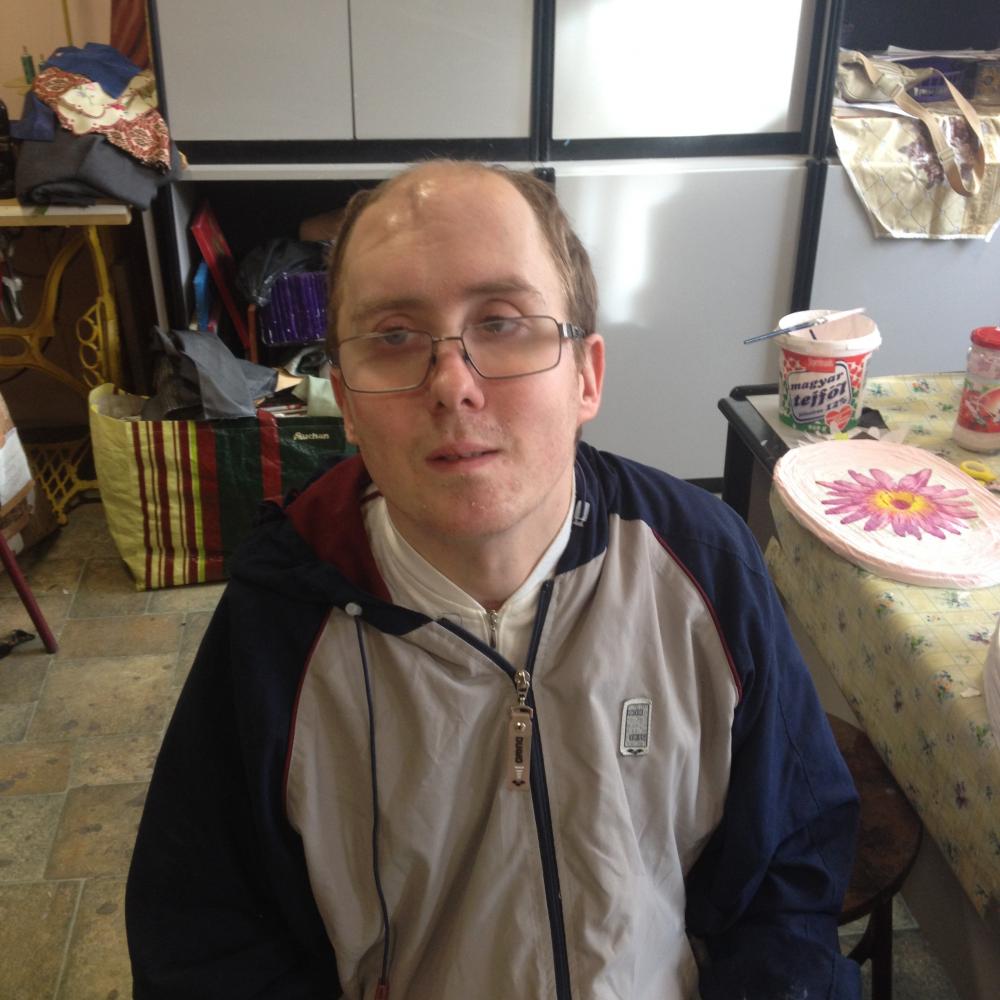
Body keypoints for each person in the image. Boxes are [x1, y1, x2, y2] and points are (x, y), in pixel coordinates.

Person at [126, 160, 861, 999]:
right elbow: (206, 945)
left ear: (586, 376)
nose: (453, 385)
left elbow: (789, 870)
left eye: (504, 322)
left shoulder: (707, 568)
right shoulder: (277, 628)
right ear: (348, 402)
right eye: (394, 335)